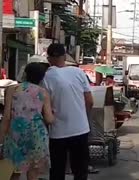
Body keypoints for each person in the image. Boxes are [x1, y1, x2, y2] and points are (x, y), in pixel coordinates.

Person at [42, 44, 94, 180]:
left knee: (57, 170)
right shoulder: (78, 72)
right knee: (80, 170)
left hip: (58, 132)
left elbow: (45, 107)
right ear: (64, 56)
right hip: (80, 129)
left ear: (49, 59)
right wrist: (82, 116)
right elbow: (90, 101)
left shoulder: (46, 77)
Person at [0, 62, 54, 180]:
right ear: (42, 77)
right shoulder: (43, 93)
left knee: (14, 170)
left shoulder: (11, 90)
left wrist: (1, 138)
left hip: (15, 135)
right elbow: (49, 119)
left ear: (25, 73)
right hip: (36, 135)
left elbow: (7, 116)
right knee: (33, 172)